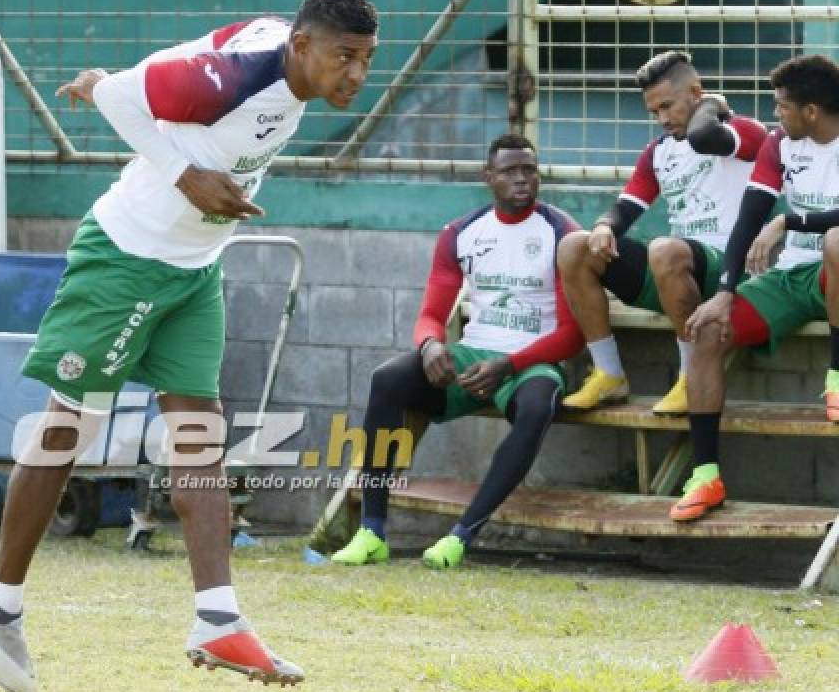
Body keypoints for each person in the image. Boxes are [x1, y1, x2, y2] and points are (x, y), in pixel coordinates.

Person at [0, 0, 378, 692]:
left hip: (194, 271)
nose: (357, 76)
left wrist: (114, 87)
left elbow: (161, 74)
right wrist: (175, 162)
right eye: (346, 58)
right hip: (125, 260)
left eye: (368, 60)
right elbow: (138, 93)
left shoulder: (278, 56)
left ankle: (217, 619)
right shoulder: (243, 76)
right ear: (303, 46)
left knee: (199, 435)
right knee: (69, 430)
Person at [330, 133, 584, 569]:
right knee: (388, 379)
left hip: (532, 361)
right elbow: (431, 313)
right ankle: (372, 530)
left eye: (529, 170)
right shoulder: (461, 233)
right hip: (473, 355)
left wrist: (510, 365)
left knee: (538, 403)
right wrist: (430, 345)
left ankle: (461, 536)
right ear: (489, 178)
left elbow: (572, 334)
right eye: (509, 172)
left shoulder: (562, 233)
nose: (522, 180)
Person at [558, 51, 767, 414]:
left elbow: (705, 138)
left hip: (731, 273)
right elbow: (627, 206)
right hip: (674, 271)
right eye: (654, 112)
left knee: (664, 249)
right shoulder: (658, 153)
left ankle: (691, 377)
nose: (663, 119)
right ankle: (608, 374)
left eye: (668, 106)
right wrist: (605, 227)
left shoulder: (743, 133)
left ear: (695, 92)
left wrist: (712, 105)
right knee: (575, 247)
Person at [678, 54, 839, 521]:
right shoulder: (780, 144)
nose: (776, 115)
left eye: (782, 106)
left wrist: (790, 220)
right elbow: (750, 217)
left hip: (835, 265)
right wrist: (726, 290)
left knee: (836, 241)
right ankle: (705, 476)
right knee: (708, 332)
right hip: (793, 274)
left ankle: (836, 376)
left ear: (811, 110)